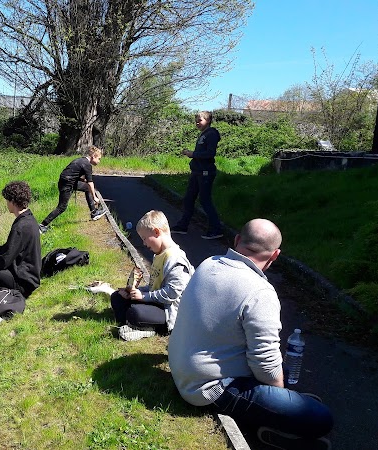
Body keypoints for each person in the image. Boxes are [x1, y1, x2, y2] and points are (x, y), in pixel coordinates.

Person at [168, 219, 333, 448]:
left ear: (237, 240)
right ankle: (272, 429)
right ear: (275, 255)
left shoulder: (209, 263)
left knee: (283, 372)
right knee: (321, 418)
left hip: (184, 368)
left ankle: (278, 409)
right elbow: (265, 364)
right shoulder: (260, 292)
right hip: (208, 388)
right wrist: (279, 400)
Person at [110, 210, 194, 341]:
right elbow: (154, 286)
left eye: (144, 238)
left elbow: (172, 293)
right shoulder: (158, 255)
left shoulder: (176, 259)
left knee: (134, 312)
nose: (144, 243)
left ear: (156, 232)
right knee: (117, 297)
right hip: (156, 302)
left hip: (169, 311)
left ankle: (149, 328)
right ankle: (136, 325)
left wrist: (144, 297)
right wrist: (133, 291)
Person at [170, 111, 223, 239]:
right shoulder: (203, 134)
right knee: (188, 198)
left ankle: (216, 229)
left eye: (200, 120)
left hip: (205, 172)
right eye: (196, 121)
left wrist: (192, 154)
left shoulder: (211, 134)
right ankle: (183, 226)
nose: (197, 123)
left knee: (205, 200)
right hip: (197, 172)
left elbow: (210, 154)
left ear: (208, 120)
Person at [39, 145, 105, 233]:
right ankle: (42, 226)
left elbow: (72, 173)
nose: (99, 161)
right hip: (67, 184)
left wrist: (82, 180)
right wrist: (95, 197)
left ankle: (94, 213)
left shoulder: (81, 160)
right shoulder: (87, 164)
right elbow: (90, 182)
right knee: (62, 207)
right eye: (99, 159)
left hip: (67, 182)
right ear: (93, 156)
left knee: (86, 188)